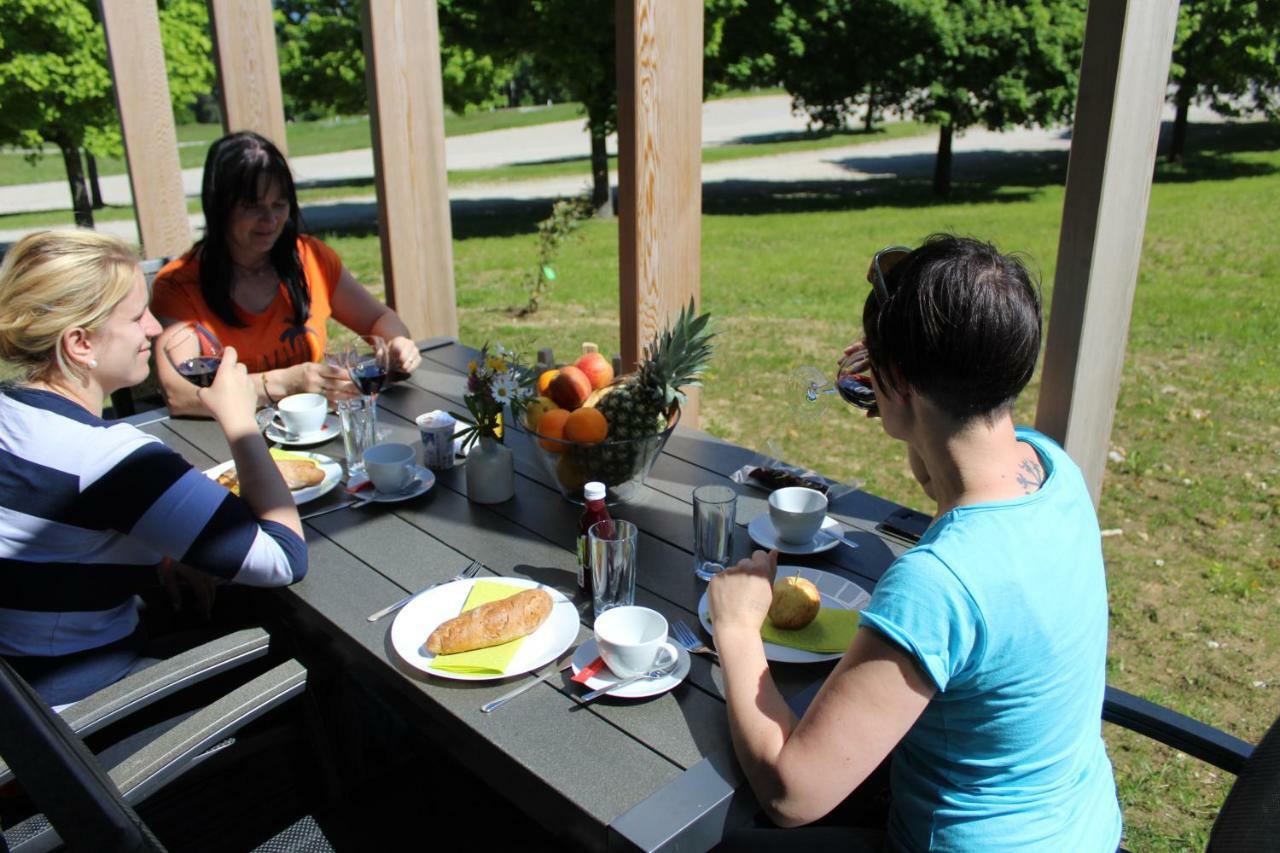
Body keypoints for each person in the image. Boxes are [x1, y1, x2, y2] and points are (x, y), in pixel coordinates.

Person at [708, 235, 1122, 851]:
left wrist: (738, 629)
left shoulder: (938, 583)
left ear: (899, 379)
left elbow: (793, 793)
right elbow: (949, 473)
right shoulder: (1050, 468)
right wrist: (905, 402)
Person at [0, 230, 307, 707]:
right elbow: (283, 557)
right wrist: (240, 420)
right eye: (136, 316)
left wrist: (166, 552)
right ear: (80, 343)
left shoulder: (13, 417)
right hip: (78, 721)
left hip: (21, 691)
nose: (153, 328)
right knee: (310, 653)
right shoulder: (107, 458)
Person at [151, 130, 422, 416]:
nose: (270, 220)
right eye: (252, 207)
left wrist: (396, 343)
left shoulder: (310, 258)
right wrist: (283, 383)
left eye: (279, 205)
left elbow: (380, 318)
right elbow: (179, 394)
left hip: (317, 430)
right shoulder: (179, 285)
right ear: (219, 208)